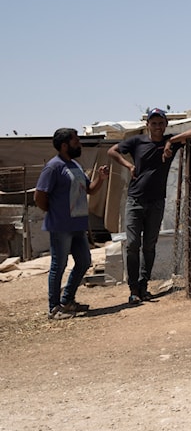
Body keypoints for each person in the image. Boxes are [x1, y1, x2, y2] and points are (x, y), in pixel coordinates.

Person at [108, 109, 191, 305]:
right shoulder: (137, 142)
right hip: (135, 200)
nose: (157, 126)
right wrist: (129, 166)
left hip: (157, 201)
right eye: (154, 123)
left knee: (149, 246)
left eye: (161, 123)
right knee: (133, 244)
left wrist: (170, 142)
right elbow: (112, 151)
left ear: (165, 125)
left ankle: (144, 286)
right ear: (148, 125)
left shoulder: (170, 141)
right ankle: (133, 288)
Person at [34, 128, 110, 320]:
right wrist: (54, 213)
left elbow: (90, 190)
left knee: (84, 261)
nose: (80, 145)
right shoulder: (53, 167)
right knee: (58, 265)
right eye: (76, 142)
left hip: (78, 224)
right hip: (61, 226)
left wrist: (100, 179)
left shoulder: (74, 165)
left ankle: (67, 300)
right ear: (65, 145)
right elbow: (39, 196)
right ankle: (54, 308)